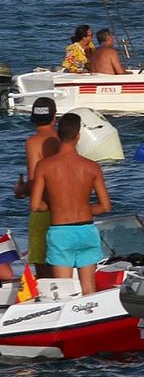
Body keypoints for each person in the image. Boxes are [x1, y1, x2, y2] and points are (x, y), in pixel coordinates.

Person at [30, 113, 110, 293]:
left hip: (61, 232)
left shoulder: (44, 166)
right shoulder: (91, 166)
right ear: (78, 136)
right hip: (87, 230)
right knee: (89, 289)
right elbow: (105, 206)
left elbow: (35, 206)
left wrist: (57, 206)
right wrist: (84, 209)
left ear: (58, 134)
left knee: (63, 291)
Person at [14, 98, 61, 271]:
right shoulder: (65, 141)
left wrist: (20, 189)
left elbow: (36, 183)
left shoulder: (32, 143)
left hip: (43, 210)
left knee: (43, 270)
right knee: (62, 265)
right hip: (65, 212)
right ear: (54, 118)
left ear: (33, 118)